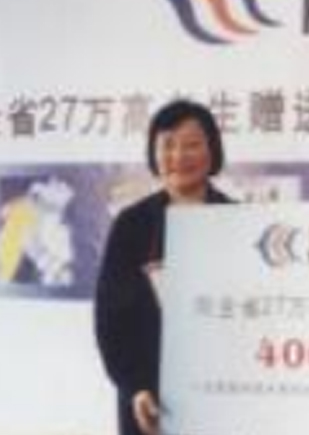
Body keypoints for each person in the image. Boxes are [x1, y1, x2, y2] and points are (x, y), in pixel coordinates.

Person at [94, 99, 233, 435]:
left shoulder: (239, 221)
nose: (179, 156)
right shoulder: (131, 225)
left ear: (212, 150)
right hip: (150, 399)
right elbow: (111, 320)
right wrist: (135, 387)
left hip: (225, 393)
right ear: (153, 154)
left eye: (192, 144)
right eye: (167, 145)